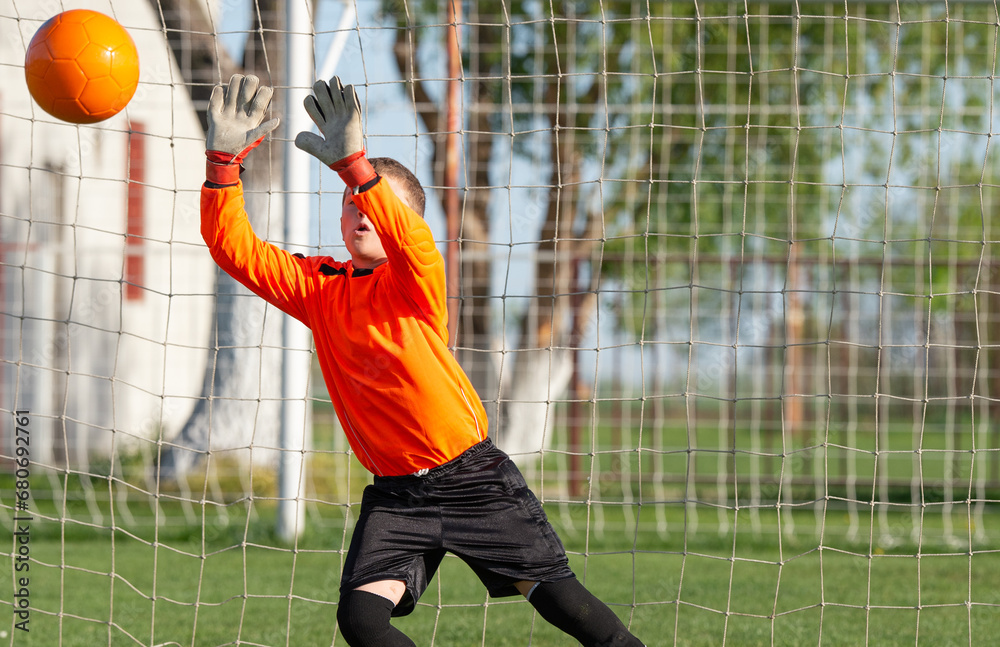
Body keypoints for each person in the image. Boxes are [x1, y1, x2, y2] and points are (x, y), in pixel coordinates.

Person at [201, 73, 645, 647]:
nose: (359, 211)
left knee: (562, 601)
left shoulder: (415, 281)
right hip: (396, 493)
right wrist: (221, 164)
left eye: (375, 205)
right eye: (349, 204)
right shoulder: (318, 288)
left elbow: (409, 241)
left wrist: (358, 170)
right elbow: (232, 249)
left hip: (472, 477)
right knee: (360, 620)